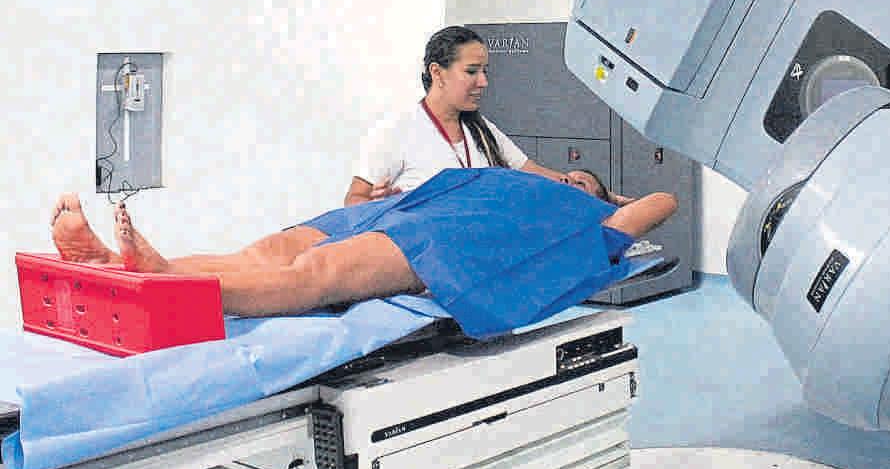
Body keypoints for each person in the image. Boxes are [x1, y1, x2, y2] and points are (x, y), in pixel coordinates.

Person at [49, 169, 676, 322]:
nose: (567, 182)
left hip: (444, 242)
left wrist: (606, 199)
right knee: (269, 250)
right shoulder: (511, 174)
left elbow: (663, 202)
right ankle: (134, 265)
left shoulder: (588, 220)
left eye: (580, 183)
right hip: (404, 209)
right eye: (567, 176)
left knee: (315, 272)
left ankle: (174, 286)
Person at [344, 26, 634, 207]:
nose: (483, 82)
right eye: (472, 71)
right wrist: (379, 205)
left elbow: (534, 172)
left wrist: (603, 196)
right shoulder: (397, 131)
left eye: (484, 71)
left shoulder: (482, 130)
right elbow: (353, 201)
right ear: (437, 73)